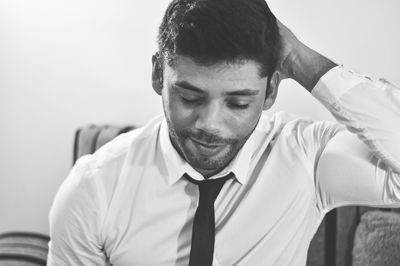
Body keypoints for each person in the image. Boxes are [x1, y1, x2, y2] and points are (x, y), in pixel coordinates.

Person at [47, 0, 400, 265]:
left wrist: (300, 61)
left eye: (238, 103)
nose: (210, 124)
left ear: (271, 91)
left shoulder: (308, 158)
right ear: (158, 75)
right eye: (190, 96)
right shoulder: (94, 189)